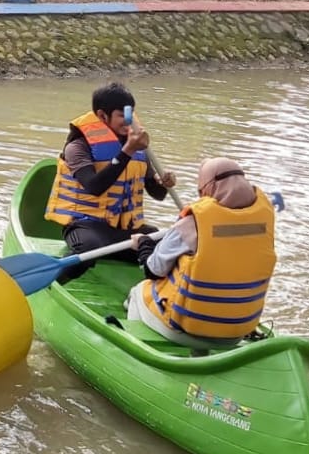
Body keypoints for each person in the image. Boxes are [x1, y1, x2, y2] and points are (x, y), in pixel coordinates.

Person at [126, 157, 276, 350]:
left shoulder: (193, 222)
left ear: (208, 188)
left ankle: (136, 349)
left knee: (140, 290)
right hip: (237, 333)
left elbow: (153, 269)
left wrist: (144, 243)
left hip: (186, 330)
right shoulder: (264, 219)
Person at [45, 82, 176, 282]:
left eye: (130, 113)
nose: (128, 121)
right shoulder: (78, 146)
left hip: (125, 230)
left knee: (167, 243)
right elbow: (94, 187)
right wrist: (128, 151)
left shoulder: (137, 146)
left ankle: (155, 295)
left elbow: (157, 194)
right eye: (122, 115)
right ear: (102, 116)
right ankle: (51, 285)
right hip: (88, 226)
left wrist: (163, 184)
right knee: (89, 250)